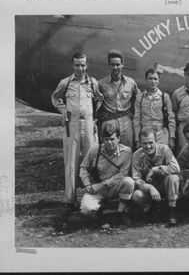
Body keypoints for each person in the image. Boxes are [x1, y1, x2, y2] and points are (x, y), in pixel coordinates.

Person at [51, 52, 102, 210]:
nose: (80, 68)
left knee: (92, 161)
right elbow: (55, 97)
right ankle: (70, 199)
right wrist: (63, 109)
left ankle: (94, 198)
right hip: (71, 124)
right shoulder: (65, 82)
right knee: (71, 163)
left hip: (88, 124)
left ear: (87, 65)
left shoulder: (92, 82)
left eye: (83, 65)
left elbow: (99, 98)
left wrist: (95, 118)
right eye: (77, 65)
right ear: (73, 65)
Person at [78, 126, 134, 224]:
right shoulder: (95, 150)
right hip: (97, 188)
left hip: (115, 186)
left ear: (118, 138)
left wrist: (102, 184)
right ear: (103, 139)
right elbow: (83, 168)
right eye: (106, 139)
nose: (109, 142)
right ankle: (99, 209)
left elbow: (122, 174)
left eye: (112, 139)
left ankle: (121, 211)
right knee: (86, 210)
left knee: (129, 182)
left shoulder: (126, 152)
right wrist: (87, 184)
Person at [131, 129, 180, 225]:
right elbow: (136, 179)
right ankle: (150, 210)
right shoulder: (136, 155)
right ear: (140, 143)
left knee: (173, 178)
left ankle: (172, 210)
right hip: (149, 188)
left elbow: (176, 168)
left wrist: (156, 169)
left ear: (156, 141)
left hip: (164, 185)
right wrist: (149, 188)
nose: (148, 146)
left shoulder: (164, 149)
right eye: (144, 143)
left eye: (151, 143)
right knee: (137, 195)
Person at [97, 49, 140, 149]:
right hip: (108, 120)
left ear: (122, 64)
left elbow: (138, 99)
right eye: (112, 65)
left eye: (117, 64)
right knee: (108, 150)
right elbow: (92, 101)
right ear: (109, 65)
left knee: (128, 149)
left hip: (126, 121)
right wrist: (98, 114)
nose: (115, 67)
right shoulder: (101, 84)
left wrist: (133, 112)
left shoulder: (130, 83)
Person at [133, 69, 176, 151]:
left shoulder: (165, 97)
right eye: (150, 78)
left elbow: (171, 118)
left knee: (162, 156)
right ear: (146, 79)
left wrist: (172, 138)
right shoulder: (140, 98)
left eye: (155, 79)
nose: (153, 81)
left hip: (161, 133)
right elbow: (136, 120)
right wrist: (137, 140)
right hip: (145, 134)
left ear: (158, 80)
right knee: (146, 158)